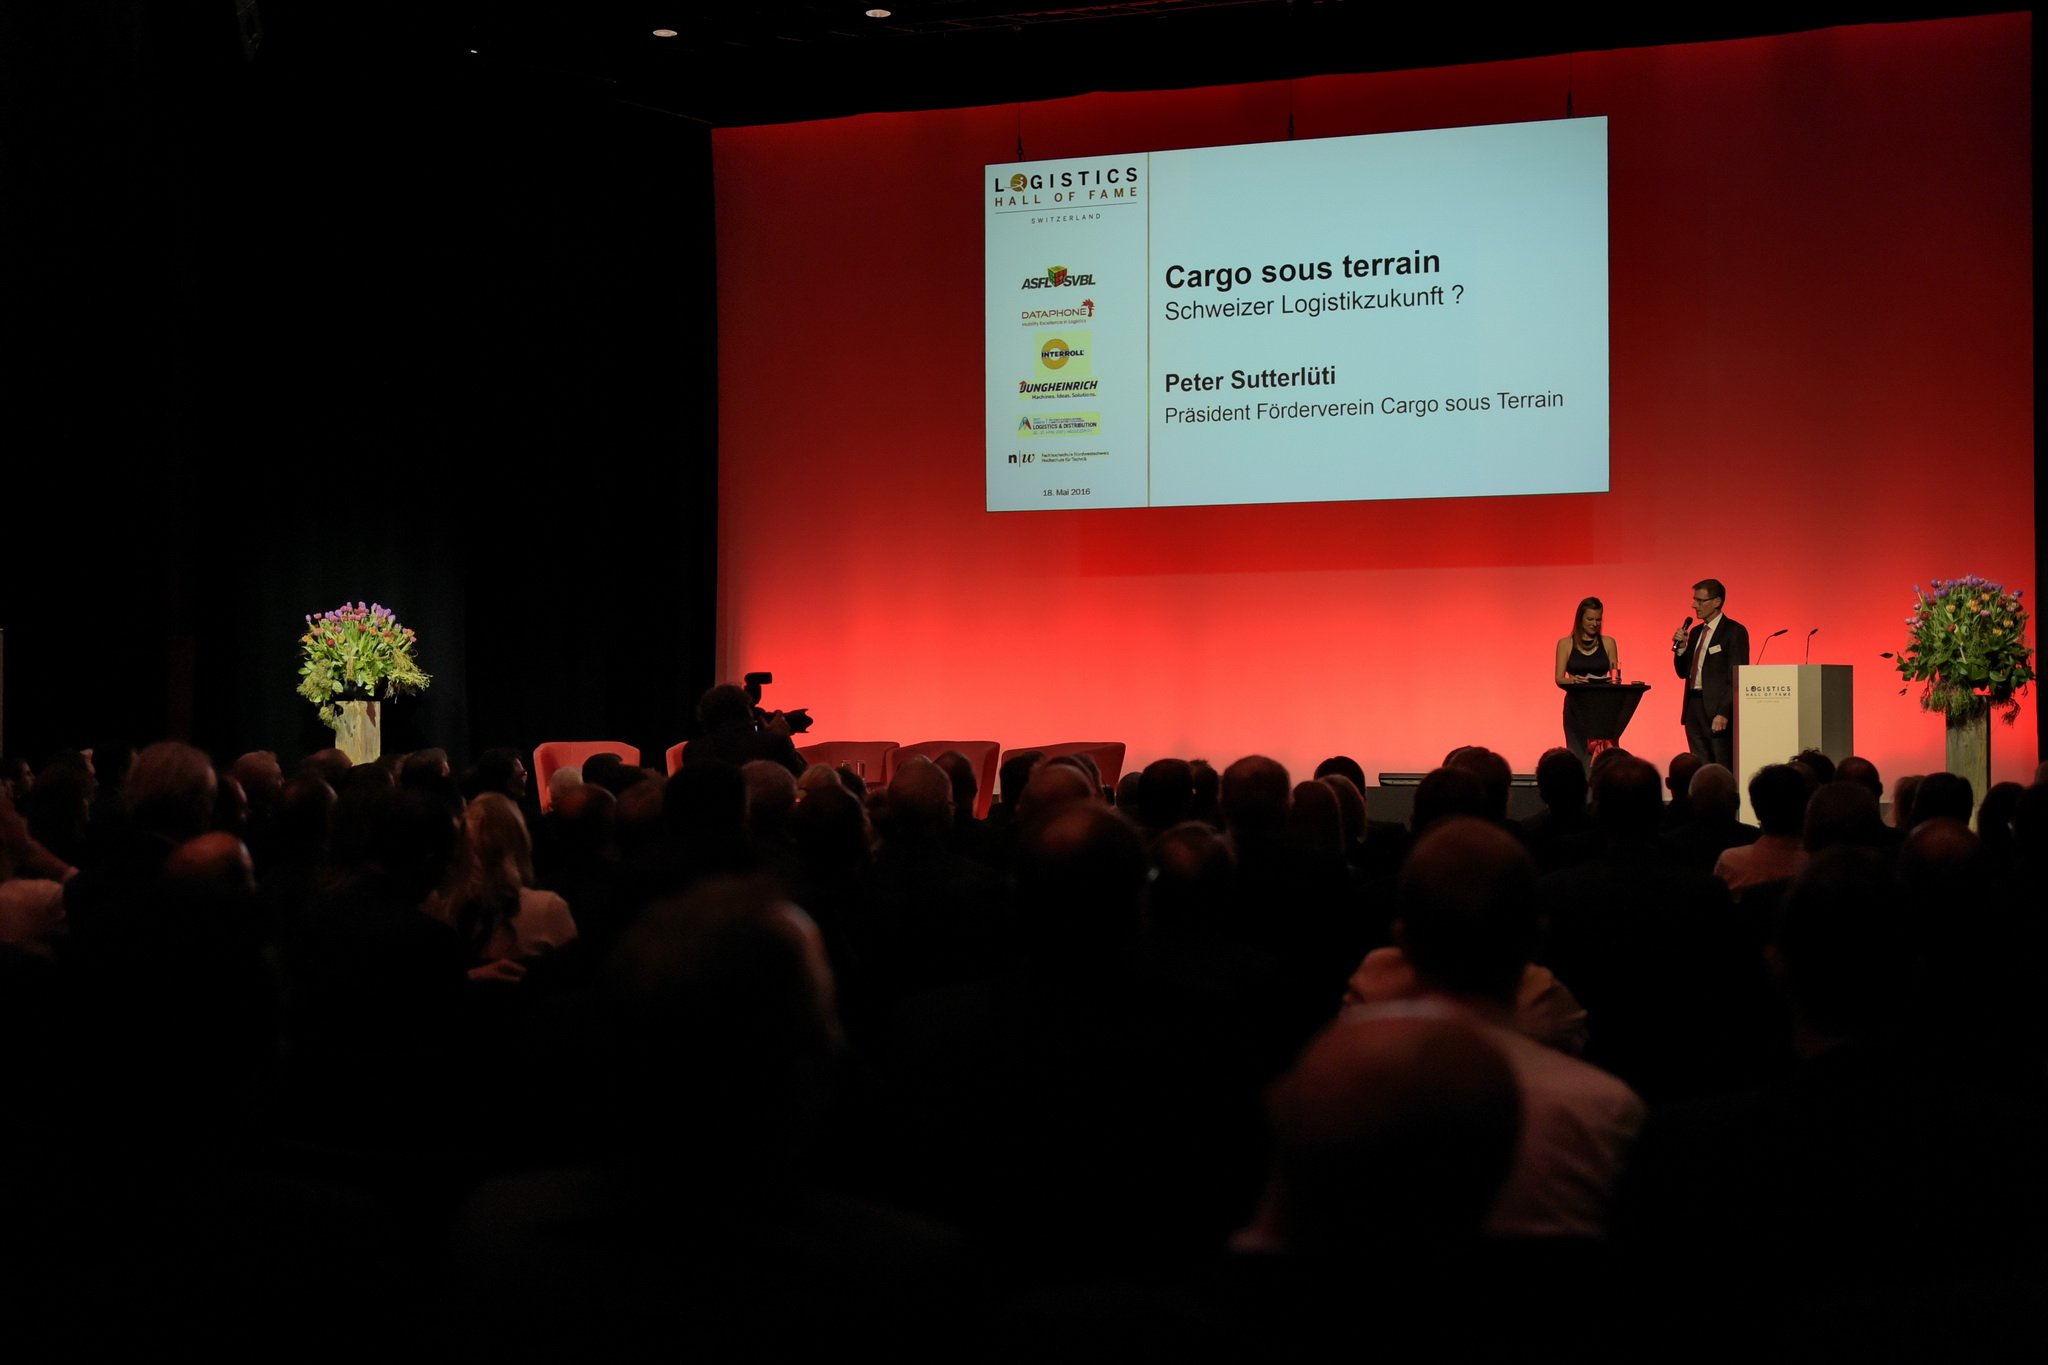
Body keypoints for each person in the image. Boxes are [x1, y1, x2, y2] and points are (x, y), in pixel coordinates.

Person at [1672, 578, 1749, 767]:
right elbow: (1683, 672)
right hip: (1693, 706)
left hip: (1716, 709)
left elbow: (1737, 676)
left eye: (1700, 601)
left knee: (1720, 764)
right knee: (1699, 764)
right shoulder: (1696, 632)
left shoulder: (1734, 631)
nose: (1694, 605)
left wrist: (1724, 712)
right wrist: (1681, 649)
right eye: (1694, 600)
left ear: (1717, 601)